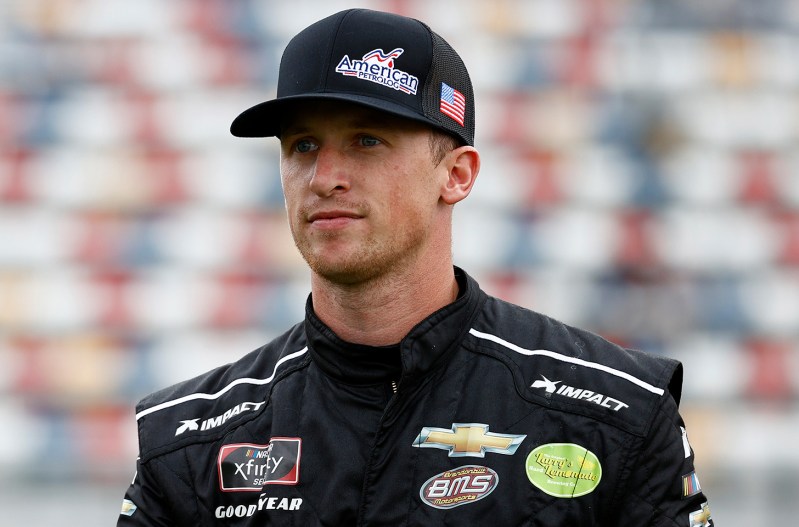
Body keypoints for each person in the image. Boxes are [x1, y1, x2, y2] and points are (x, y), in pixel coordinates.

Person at [117, 8, 713, 526]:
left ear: (457, 174)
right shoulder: (188, 442)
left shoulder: (616, 416)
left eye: (367, 141)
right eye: (302, 146)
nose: (324, 178)